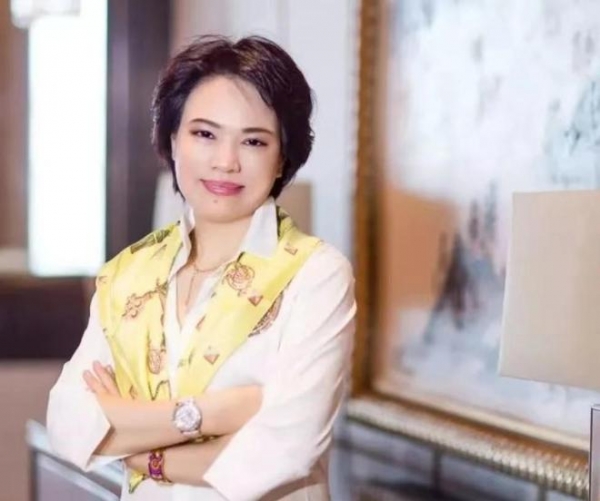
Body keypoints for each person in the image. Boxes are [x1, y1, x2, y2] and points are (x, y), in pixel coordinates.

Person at [46, 35, 356, 501]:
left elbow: (283, 453)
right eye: (205, 134)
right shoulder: (130, 274)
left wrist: (140, 451)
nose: (226, 162)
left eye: (253, 141)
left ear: (281, 160)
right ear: (173, 140)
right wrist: (217, 413)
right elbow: (68, 424)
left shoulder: (315, 275)